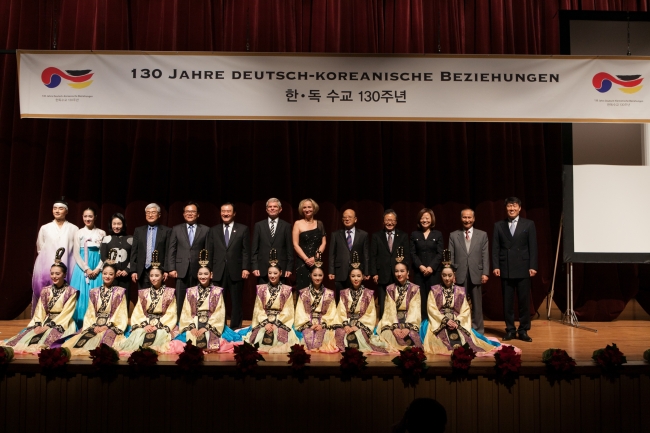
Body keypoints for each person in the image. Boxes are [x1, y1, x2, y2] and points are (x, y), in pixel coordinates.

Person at [3, 249, 78, 353]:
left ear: (64, 274)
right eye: (52, 273)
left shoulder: (71, 291)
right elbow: (40, 310)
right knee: (26, 337)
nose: (54, 276)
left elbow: (66, 313)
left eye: (57, 274)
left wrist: (49, 325)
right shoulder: (45, 290)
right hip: (45, 320)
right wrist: (38, 324)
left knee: (47, 339)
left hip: (62, 322)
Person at [423, 253, 498, 356]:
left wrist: (456, 321)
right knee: (437, 340)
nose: (447, 278)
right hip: (439, 321)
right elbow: (432, 309)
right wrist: (445, 321)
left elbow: (465, 310)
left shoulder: (460, 291)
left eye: (450, 275)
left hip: (456, 320)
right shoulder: (434, 290)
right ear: (441, 276)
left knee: (465, 340)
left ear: (454, 276)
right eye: (444, 275)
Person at [492, 197, 538, 342]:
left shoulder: (529, 224)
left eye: (514, 206)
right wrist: (496, 266)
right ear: (506, 209)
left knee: (524, 302)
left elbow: (533, 247)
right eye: (509, 206)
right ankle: (510, 330)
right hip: (506, 268)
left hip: (523, 268)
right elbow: (495, 248)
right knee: (508, 302)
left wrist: (533, 266)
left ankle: (523, 330)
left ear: (519, 208)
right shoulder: (499, 225)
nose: (511, 209)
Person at [62, 259, 128, 355]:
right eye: (105, 273)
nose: (107, 276)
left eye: (110, 274)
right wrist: (94, 326)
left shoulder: (120, 292)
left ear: (114, 276)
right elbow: (90, 312)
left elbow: (120, 313)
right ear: (102, 274)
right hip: (95, 325)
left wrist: (106, 326)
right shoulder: (94, 292)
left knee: (104, 346)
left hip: (110, 326)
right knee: (81, 343)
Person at [118, 251, 177, 352]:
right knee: (137, 334)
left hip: (162, 325)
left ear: (163, 276)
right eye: (151, 276)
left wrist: (156, 326)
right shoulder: (143, 293)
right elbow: (138, 312)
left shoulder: (170, 293)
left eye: (156, 276)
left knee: (160, 335)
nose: (153, 278)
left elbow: (171, 314)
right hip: (146, 323)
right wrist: (145, 325)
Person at [206, 202, 250, 329]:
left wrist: (245, 267)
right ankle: (219, 327)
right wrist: (209, 269)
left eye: (228, 211)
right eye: (223, 211)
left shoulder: (243, 229)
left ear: (234, 213)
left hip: (236, 270)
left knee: (236, 302)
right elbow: (209, 251)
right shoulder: (213, 230)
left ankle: (235, 328)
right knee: (218, 301)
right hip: (218, 270)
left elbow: (245, 250)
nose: (225, 213)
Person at [32, 198, 78, 315]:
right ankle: (43, 317)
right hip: (48, 266)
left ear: (66, 211)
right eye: (55, 208)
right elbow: (40, 248)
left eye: (60, 208)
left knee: (66, 293)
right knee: (46, 291)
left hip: (68, 265)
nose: (57, 211)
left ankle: (64, 318)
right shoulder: (45, 228)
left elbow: (76, 249)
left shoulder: (74, 228)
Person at [175, 250, 226, 351]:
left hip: (211, 322)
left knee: (209, 339)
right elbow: (186, 312)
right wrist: (192, 327)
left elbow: (219, 313)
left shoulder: (217, 291)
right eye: (200, 274)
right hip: (193, 322)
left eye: (206, 274)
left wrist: (206, 327)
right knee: (190, 339)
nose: (203, 277)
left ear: (211, 275)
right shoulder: (191, 291)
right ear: (197, 275)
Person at [449, 208, 490, 334]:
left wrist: (485, 272)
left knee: (477, 305)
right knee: (459, 304)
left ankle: (478, 331)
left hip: (476, 273)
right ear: (461, 219)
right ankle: (460, 329)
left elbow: (485, 255)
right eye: (464, 217)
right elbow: (451, 256)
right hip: (459, 274)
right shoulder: (453, 235)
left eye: (469, 217)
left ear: (474, 219)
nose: (467, 220)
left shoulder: (482, 235)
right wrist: (452, 273)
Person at [333, 258, 387, 353]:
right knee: (340, 334)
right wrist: (346, 326)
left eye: (358, 276)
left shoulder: (368, 294)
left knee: (357, 336)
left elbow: (370, 315)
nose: (356, 279)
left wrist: (357, 326)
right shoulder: (344, 293)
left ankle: (354, 354)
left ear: (363, 277)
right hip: (347, 324)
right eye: (353, 276)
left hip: (361, 325)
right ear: (349, 277)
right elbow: (340, 313)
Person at [244, 260, 299, 353]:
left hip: (280, 322)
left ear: (280, 273)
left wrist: (276, 324)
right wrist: (266, 323)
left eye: (275, 273)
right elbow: (258, 309)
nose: (272, 276)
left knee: (281, 341)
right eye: (270, 273)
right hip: (264, 320)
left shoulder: (286, 290)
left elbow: (288, 311)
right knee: (256, 341)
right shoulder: (261, 289)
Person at [167, 201, 209, 317]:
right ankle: (181, 322)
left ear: (198, 214)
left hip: (199, 271)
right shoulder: (176, 229)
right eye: (187, 211)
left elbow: (208, 250)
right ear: (183, 214)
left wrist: (207, 269)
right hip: (180, 269)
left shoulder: (205, 230)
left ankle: (195, 321)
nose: (190, 214)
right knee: (180, 297)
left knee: (197, 297)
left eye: (193, 211)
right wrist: (171, 268)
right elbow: (172, 249)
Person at [370, 209, 410, 319]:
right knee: (383, 303)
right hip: (382, 274)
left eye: (392, 220)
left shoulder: (403, 235)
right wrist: (374, 273)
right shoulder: (376, 236)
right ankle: (384, 325)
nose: (389, 222)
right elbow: (373, 255)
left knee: (398, 300)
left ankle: (397, 322)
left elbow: (407, 254)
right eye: (387, 220)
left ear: (396, 222)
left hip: (398, 274)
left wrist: (407, 271)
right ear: (383, 222)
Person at [70, 208, 106, 328]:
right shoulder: (79, 233)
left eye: (90, 216)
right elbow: (76, 254)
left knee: (96, 294)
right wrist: (86, 269)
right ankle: (79, 323)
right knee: (81, 295)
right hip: (82, 268)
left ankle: (95, 323)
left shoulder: (102, 233)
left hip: (97, 266)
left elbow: (104, 254)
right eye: (85, 216)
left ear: (95, 217)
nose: (87, 219)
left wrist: (97, 269)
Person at [294, 260, 339, 352]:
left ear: (323, 276)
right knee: (306, 337)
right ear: (310, 275)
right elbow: (300, 312)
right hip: (307, 323)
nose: (317, 278)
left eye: (320, 275)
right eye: (315, 275)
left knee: (326, 338)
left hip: (323, 324)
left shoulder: (329, 293)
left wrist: (322, 325)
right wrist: (310, 325)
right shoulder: (304, 293)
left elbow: (332, 314)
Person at [378, 259, 422, 352]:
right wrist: (394, 328)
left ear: (408, 272)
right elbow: (389, 310)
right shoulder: (390, 288)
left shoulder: (414, 289)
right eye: (397, 271)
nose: (399, 274)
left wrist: (407, 327)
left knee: (412, 336)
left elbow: (415, 310)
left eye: (402, 271)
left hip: (409, 320)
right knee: (388, 335)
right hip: (392, 321)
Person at [409, 208, 443, 321]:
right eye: (422, 218)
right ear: (419, 220)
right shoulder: (414, 234)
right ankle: (423, 323)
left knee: (434, 299)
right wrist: (421, 266)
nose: (425, 220)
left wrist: (431, 267)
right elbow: (412, 253)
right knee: (421, 299)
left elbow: (440, 253)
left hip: (434, 273)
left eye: (427, 218)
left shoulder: (438, 234)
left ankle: (434, 322)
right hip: (419, 273)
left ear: (431, 219)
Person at [251, 198, 293, 284]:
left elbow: (289, 249)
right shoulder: (259, 225)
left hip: (281, 269)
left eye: (275, 206)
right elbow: (254, 248)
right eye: (270, 207)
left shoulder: (286, 226)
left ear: (280, 209)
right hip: (262, 269)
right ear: (266, 209)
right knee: (263, 296)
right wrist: (255, 266)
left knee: (281, 296)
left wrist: (289, 268)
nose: (272, 208)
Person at [130, 203, 171, 289]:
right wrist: (133, 270)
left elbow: (168, 252)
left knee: (158, 298)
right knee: (143, 298)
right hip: (142, 270)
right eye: (148, 212)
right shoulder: (139, 230)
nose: (150, 215)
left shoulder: (167, 231)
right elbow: (134, 251)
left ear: (159, 215)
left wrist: (166, 270)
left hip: (159, 270)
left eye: (153, 212)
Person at [328, 209, 369, 294]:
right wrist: (331, 271)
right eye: (344, 217)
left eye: (350, 217)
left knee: (356, 299)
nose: (347, 219)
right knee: (340, 301)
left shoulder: (363, 235)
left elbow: (366, 254)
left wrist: (366, 271)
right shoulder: (335, 235)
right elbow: (332, 254)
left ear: (355, 219)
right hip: (340, 272)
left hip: (357, 273)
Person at [292, 198, 326, 293]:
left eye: (309, 207)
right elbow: (295, 244)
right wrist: (306, 259)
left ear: (314, 208)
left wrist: (316, 257)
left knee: (317, 289)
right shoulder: (298, 223)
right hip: (302, 261)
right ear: (301, 209)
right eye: (305, 207)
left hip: (317, 261)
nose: (307, 209)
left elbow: (323, 243)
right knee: (303, 289)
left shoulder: (320, 224)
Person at [100, 212, 133, 289]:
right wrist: (114, 270)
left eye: (119, 224)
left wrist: (127, 270)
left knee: (125, 297)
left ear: (123, 224)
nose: (116, 226)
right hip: (111, 276)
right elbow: (103, 257)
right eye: (114, 224)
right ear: (111, 225)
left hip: (125, 276)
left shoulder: (131, 239)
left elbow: (134, 257)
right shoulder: (106, 238)